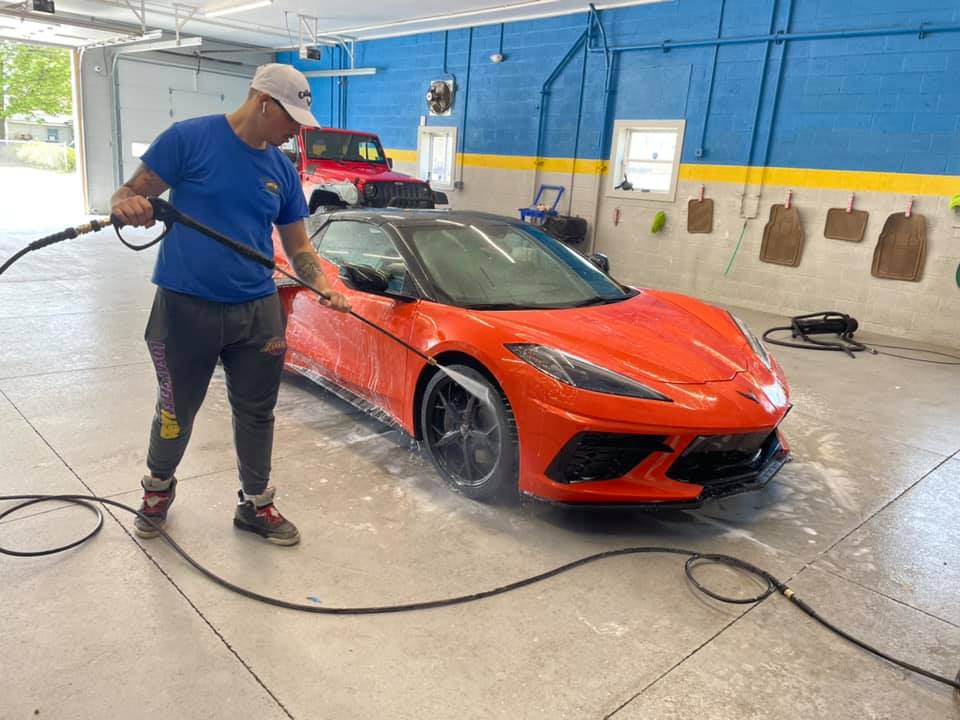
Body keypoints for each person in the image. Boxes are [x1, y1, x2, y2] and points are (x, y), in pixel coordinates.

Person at [110, 63, 350, 546]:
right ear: (263, 102)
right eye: (291, 119)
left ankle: (256, 503)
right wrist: (125, 204)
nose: (295, 131)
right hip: (185, 306)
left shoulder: (281, 170)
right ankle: (157, 489)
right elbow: (128, 192)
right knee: (176, 409)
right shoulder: (187, 140)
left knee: (257, 411)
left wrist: (322, 284)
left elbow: (299, 247)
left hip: (256, 310)